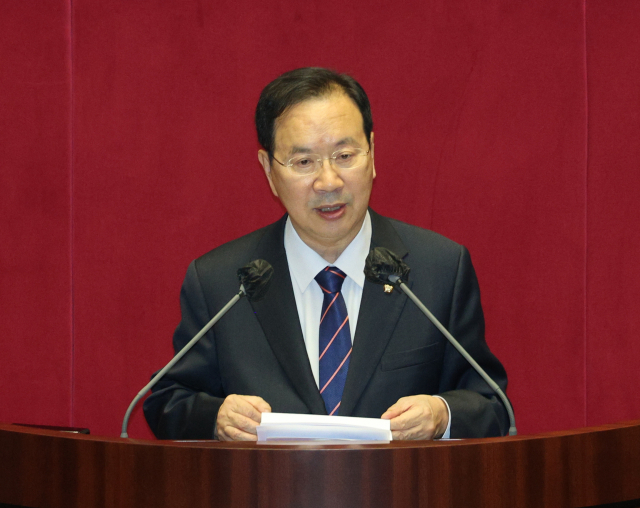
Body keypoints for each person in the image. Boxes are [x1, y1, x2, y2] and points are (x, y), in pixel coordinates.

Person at [144, 67, 510, 441]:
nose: (329, 182)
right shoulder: (221, 281)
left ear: (372, 153)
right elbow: (167, 402)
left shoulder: (439, 269)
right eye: (304, 162)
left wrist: (441, 415)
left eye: (344, 155)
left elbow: (493, 406)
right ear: (268, 170)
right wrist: (217, 418)